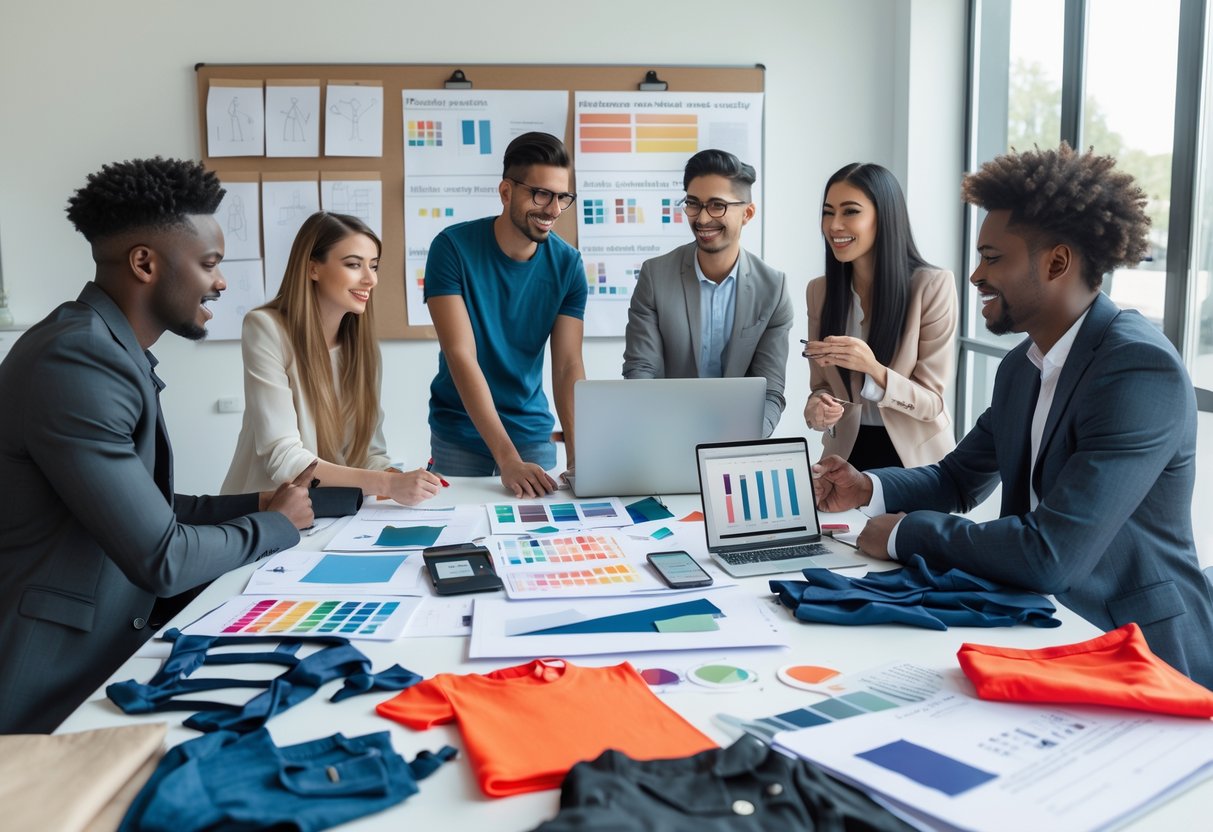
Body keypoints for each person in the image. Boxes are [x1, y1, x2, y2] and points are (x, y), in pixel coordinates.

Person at [814, 144, 1213, 687]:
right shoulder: (1023, 367)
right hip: (1041, 627)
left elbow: (1050, 554)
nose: (976, 275)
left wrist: (908, 533)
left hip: (1136, 648)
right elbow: (957, 479)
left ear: (1056, 262)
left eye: (993, 257)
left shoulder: (1136, 370)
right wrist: (867, 489)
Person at [0, 158, 314, 733]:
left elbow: (152, 507)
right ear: (145, 263)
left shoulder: (105, 349)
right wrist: (277, 527)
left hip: (103, 643)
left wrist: (261, 505)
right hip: (46, 677)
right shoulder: (77, 360)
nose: (221, 282)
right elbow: (163, 558)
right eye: (209, 264)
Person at [222, 211, 441, 504]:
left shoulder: (362, 349)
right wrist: (388, 482)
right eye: (353, 265)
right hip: (264, 511)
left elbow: (368, 454)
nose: (370, 279)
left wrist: (399, 479)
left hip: (327, 512)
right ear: (313, 268)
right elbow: (284, 459)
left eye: (373, 266)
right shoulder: (265, 328)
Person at [425, 131, 586, 498]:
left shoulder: (569, 265)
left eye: (562, 197)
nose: (553, 210)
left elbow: (567, 366)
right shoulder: (451, 248)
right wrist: (506, 457)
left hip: (531, 433)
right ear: (506, 192)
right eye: (541, 194)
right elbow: (461, 355)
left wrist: (579, 457)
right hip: (459, 434)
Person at [623, 149, 793, 437]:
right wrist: (658, 436)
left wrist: (743, 442)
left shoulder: (772, 290)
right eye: (693, 204)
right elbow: (641, 371)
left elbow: (770, 391)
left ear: (747, 213)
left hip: (738, 440)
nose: (702, 219)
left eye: (717, 205)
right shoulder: (655, 276)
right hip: (665, 434)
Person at [804, 163, 957, 470]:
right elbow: (821, 385)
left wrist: (873, 368)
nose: (834, 225)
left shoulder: (932, 286)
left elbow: (932, 404)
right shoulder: (820, 292)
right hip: (846, 455)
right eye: (828, 211)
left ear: (884, 217)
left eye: (850, 211)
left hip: (914, 462)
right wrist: (817, 407)